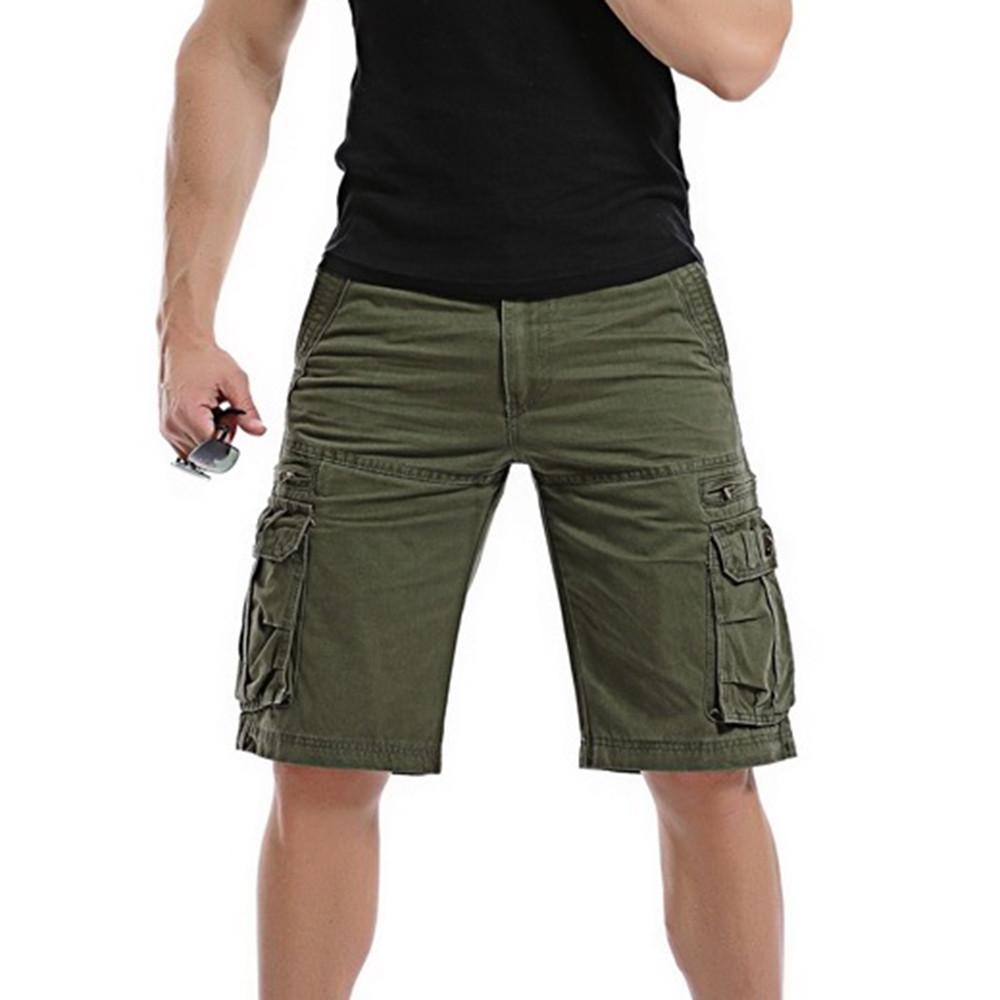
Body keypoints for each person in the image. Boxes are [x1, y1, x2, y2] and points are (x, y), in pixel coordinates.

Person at [156, 0, 797, 996]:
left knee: (706, 754)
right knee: (321, 755)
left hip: (633, 325)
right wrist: (185, 324)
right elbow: (236, 47)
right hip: (388, 326)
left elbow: (741, 52)